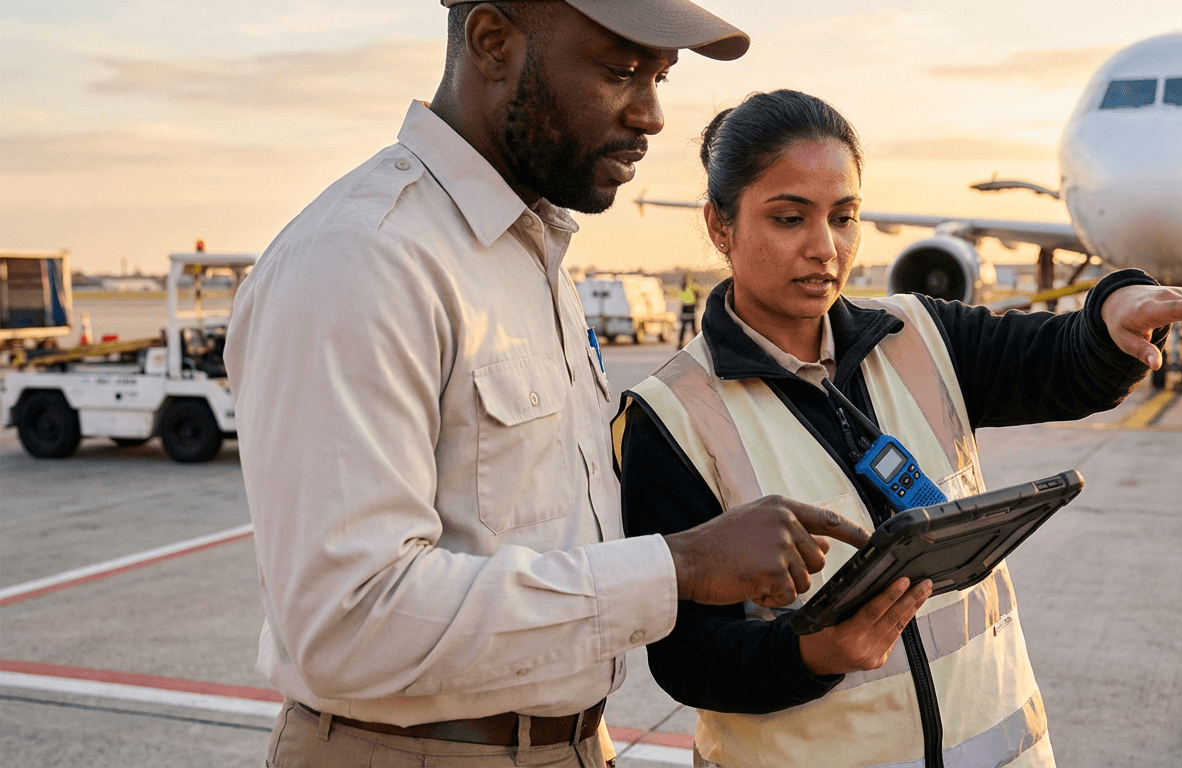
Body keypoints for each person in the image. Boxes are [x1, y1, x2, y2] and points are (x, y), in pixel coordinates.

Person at [225, 7, 873, 768]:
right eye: (619, 69)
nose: (652, 114)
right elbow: (349, 624)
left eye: (660, 76)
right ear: (494, 44)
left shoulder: (528, 253)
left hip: (566, 744)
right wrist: (679, 565)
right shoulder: (365, 260)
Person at [613, 90, 1182, 768]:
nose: (824, 248)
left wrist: (1113, 312)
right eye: (788, 217)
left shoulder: (919, 333)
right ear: (720, 225)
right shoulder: (670, 415)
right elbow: (687, 658)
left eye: (844, 216)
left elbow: (1058, 361)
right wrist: (809, 655)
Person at [677, 274, 699, 347]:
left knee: (686, 328)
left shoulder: (685, 287)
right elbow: (697, 295)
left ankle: (681, 343)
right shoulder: (691, 287)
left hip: (687, 308)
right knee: (692, 328)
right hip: (689, 308)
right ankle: (698, 343)